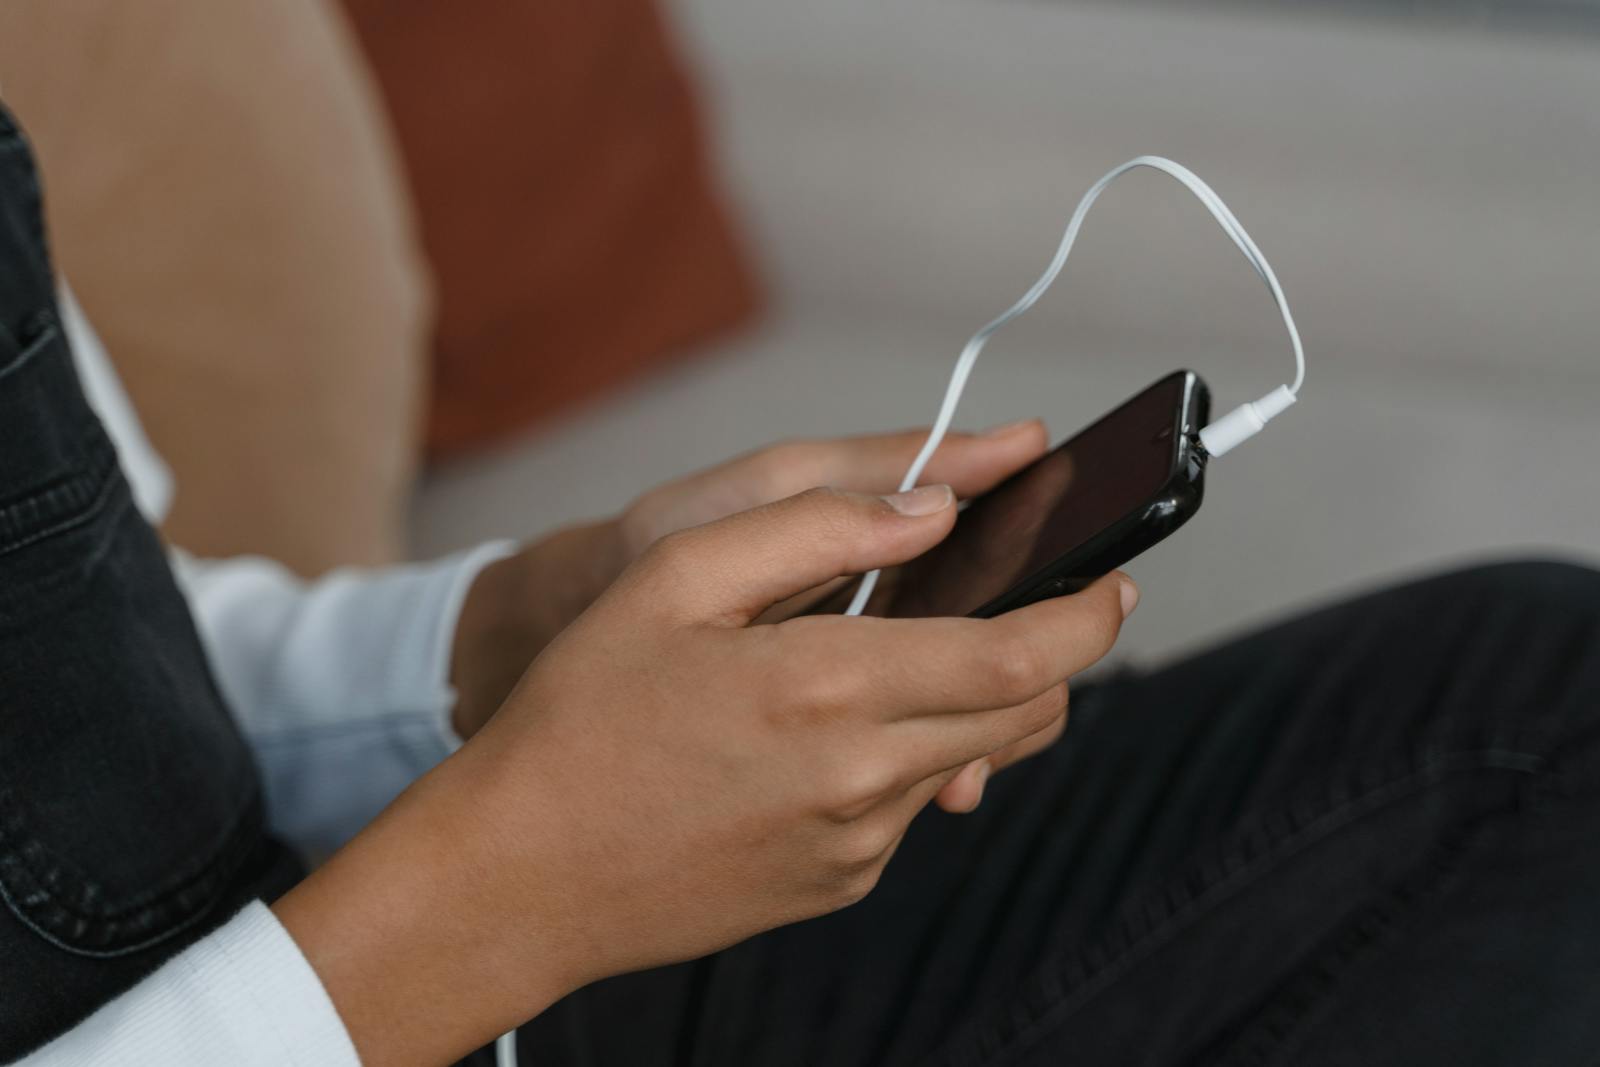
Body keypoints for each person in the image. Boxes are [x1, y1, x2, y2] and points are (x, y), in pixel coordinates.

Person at [3, 101, 1598, 1067]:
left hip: (408, 972)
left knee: (1537, 705)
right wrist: (506, 899)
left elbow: (103, 654)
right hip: (406, 973)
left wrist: (514, 633)